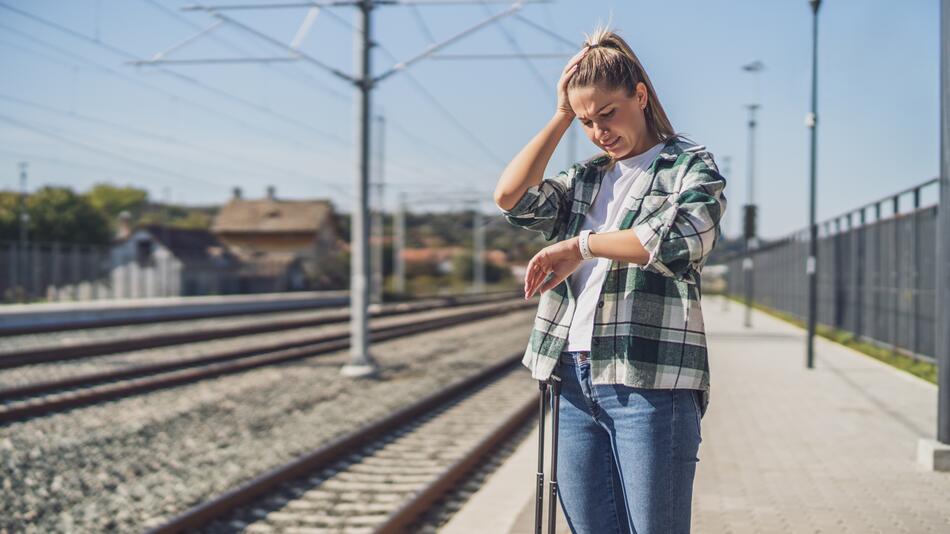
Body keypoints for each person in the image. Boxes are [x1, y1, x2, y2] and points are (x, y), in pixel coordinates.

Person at [493, 25, 727, 534]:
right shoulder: (586, 177)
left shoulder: (688, 167)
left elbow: (677, 240)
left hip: (651, 380)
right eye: (586, 121)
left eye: (608, 113)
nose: (599, 131)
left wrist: (580, 244)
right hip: (573, 377)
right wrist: (560, 115)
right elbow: (510, 197)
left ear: (639, 95)